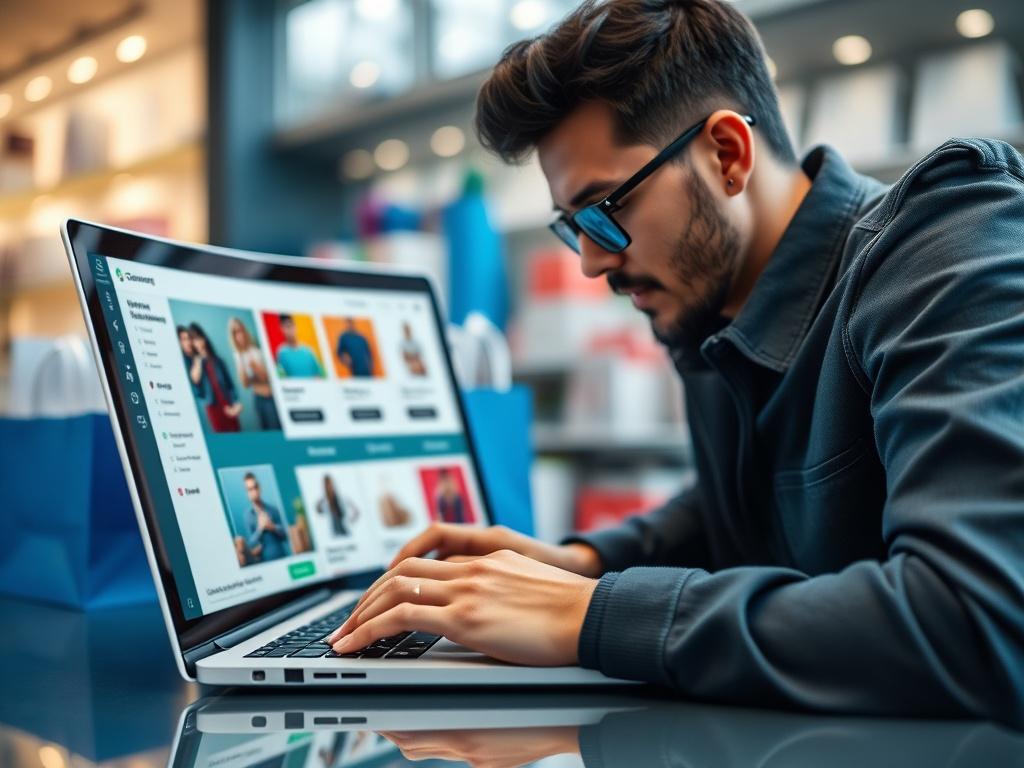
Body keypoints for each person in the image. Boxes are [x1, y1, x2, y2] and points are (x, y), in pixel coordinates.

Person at [325, 0, 1024, 726]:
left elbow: (982, 620)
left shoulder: (949, 241)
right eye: (573, 228)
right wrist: (581, 566)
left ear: (727, 154)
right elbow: (744, 510)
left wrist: (592, 614)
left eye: (605, 210)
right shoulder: (713, 309)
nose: (593, 261)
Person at [228, 316, 281, 431]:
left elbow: (266, 378)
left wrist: (254, 367)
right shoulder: (238, 356)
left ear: (244, 331)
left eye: (240, 330)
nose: (239, 335)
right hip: (258, 399)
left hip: (270, 398)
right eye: (235, 333)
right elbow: (245, 384)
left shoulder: (256, 350)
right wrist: (241, 359)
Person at [187, 322, 242, 433]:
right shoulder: (195, 363)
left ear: (204, 338)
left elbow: (230, 385)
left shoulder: (218, 360)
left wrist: (236, 403)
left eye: (198, 337)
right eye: (193, 340)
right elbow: (195, 380)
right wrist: (199, 359)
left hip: (228, 404)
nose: (197, 342)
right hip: (213, 409)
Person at [243, 472, 289, 563]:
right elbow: (250, 545)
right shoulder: (248, 516)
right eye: (250, 489)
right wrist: (260, 529)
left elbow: (286, 535)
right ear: (247, 493)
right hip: (265, 563)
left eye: (255, 487)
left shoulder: (274, 509)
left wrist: (272, 527)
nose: (254, 491)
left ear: (259, 488)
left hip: (283, 557)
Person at [274, 313, 325, 378]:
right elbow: (282, 376)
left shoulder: (308, 350)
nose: (289, 330)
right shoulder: (281, 352)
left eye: (290, 326)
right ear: (281, 329)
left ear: (295, 326)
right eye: (286, 327)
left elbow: (318, 374)